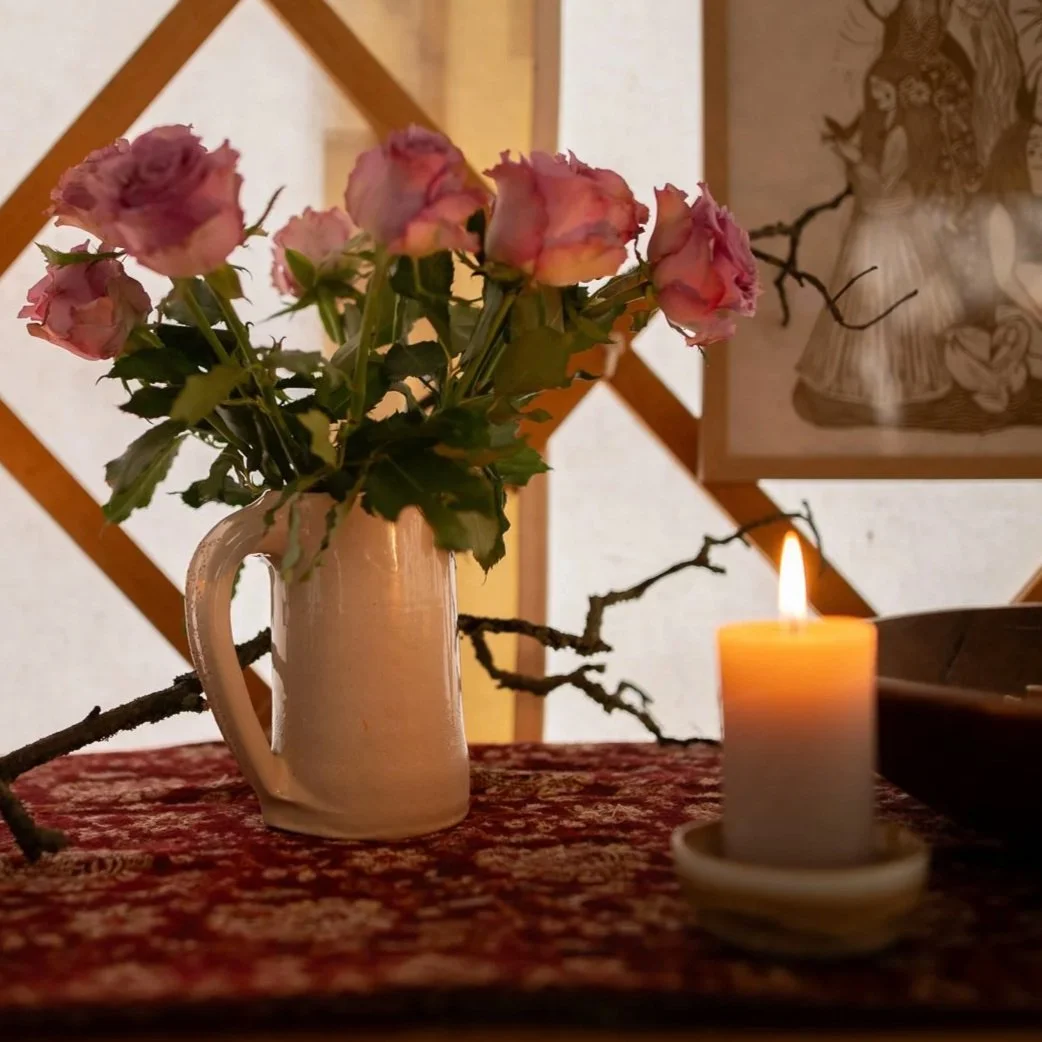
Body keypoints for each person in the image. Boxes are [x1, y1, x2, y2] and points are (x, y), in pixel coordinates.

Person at [797, 55, 963, 415]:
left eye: (883, 89)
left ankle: (902, 382)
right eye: (873, 89)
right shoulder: (886, 123)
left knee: (887, 299)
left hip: (891, 222)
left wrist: (851, 158)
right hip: (877, 217)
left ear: (900, 92)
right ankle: (865, 380)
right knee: (864, 298)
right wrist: (853, 155)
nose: (877, 95)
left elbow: (884, 185)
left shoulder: (902, 131)